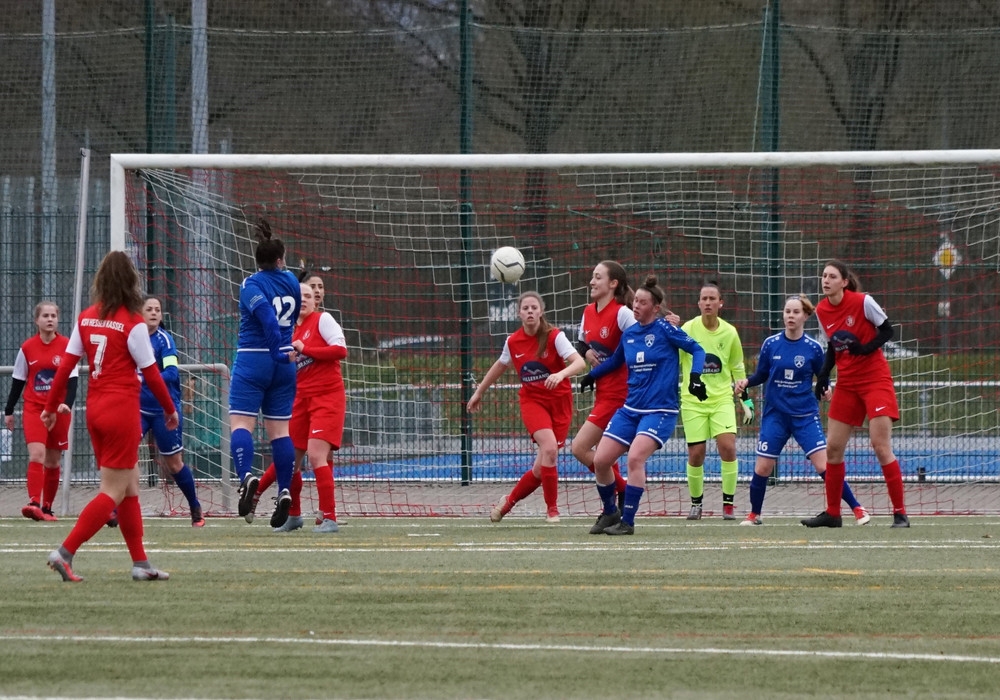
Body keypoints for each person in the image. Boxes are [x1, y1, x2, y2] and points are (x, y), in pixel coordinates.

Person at [42, 251, 178, 582]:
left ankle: (141, 563)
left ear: (100, 280)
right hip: (121, 411)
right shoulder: (133, 323)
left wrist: (49, 407)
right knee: (113, 490)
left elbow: (66, 365)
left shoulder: (86, 317)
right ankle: (64, 552)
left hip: (96, 410)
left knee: (129, 486)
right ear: (132, 281)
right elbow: (152, 373)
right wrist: (170, 409)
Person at [581, 274, 706, 535]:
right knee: (601, 460)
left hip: (659, 411)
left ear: (655, 307)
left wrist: (695, 377)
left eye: (642, 302)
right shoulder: (629, 334)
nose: (636, 305)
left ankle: (627, 522)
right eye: (635, 301)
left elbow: (697, 350)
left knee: (635, 458)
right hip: (630, 410)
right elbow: (616, 361)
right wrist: (592, 375)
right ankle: (610, 512)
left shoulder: (665, 329)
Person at [733, 295, 870, 526]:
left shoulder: (813, 348)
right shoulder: (771, 344)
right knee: (763, 467)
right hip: (775, 415)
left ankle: (857, 508)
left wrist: (826, 389)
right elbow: (762, 374)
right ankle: (754, 514)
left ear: (805, 316)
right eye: (787, 311)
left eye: (796, 312)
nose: (790, 316)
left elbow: (822, 376)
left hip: (805, 416)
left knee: (824, 465)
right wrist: (747, 381)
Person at [802, 260, 909, 528]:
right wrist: (823, 375)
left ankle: (900, 513)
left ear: (844, 282)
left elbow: (888, 330)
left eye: (832, 276)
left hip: (875, 380)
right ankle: (833, 514)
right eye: (824, 276)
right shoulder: (822, 310)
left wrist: (865, 348)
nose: (826, 280)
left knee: (880, 445)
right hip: (847, 383)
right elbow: (832, 346)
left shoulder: (863, 302)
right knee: (833, 449)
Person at [468, 291, 586, 523]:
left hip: (560, 403)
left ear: (541, 311)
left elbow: (579, 362)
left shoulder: (555, 336)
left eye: (534, 307)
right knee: (549, 449)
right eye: (525, 308)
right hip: (533, 402)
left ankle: (508, 503)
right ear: (519, 313)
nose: (530, 311)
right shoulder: (513, 342)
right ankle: (552, 510)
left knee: (541, 469)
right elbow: (500, 366)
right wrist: (479, 391)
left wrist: (560, 374)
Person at [250, 278, 347, 533]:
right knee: (288, 459)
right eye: (299, 295)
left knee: (316, 455)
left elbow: (340, 350)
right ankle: (293, 515)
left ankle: (330, 517)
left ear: (316, 301)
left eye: (308, 295)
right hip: (300, 399)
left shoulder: (323, 320)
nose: (303, 299)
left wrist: (307, 349)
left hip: (327, 397)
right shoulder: (287, 330)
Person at [230, 219, 301, 529]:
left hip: (255, 358)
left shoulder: (251, 285)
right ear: (281, 259)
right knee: (281, 433)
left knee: (241, 424)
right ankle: (284, 491)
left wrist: (274, 351)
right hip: (286, 363)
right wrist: (282, 353)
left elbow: (268, 320)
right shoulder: (292, 282)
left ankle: (246, 476)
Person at [679, 282, 750, 521]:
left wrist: (746, 401)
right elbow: (673, 358)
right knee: (696, 453)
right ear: (698, 303)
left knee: (728, 447)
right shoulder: (688, 329)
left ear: (721, 303)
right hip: (693, 401)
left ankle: (728, 504)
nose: (708, 302)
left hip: (721, 400)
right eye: (704, 298)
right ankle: (696, 504)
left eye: (712, 298)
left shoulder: (730, 333)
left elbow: (737, 368)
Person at [4, 302, 79, 522]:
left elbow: (73, 380)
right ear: (36, 320)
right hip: (34, 409)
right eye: (45, 316)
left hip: (58, 411)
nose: (50, 319)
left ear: (58, 319)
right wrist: (9, 410)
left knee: (53, 461)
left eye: (53, 315)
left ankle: (47, 508)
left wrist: (67, 404)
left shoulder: (67, 346)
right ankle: (34, 503)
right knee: (37, 454)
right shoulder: (27, 348)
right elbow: (18, 381)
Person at [571, 261, 634, 514]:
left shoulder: (622, 314)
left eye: (598, 277)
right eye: (592, 276)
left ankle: (623, 490)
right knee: (602, 456)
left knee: (579, 448)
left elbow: (643, 337)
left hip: (620, 395)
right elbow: (581, 344)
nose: (592, 282)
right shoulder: (588, 312)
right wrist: (587, 354)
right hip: (602, 393)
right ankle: (616, 500)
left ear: (613, 283)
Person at [139, 296, 204, 527]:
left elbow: (172, 373)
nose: (154, 313)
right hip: (138, 408)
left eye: (157, 309)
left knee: (174, 464)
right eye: (149, 309)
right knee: (124, 456)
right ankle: (116, 510)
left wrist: (143, 378)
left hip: (164, 410)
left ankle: (195, 506)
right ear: (139, 313)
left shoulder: (164, 340)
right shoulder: (133, 339)